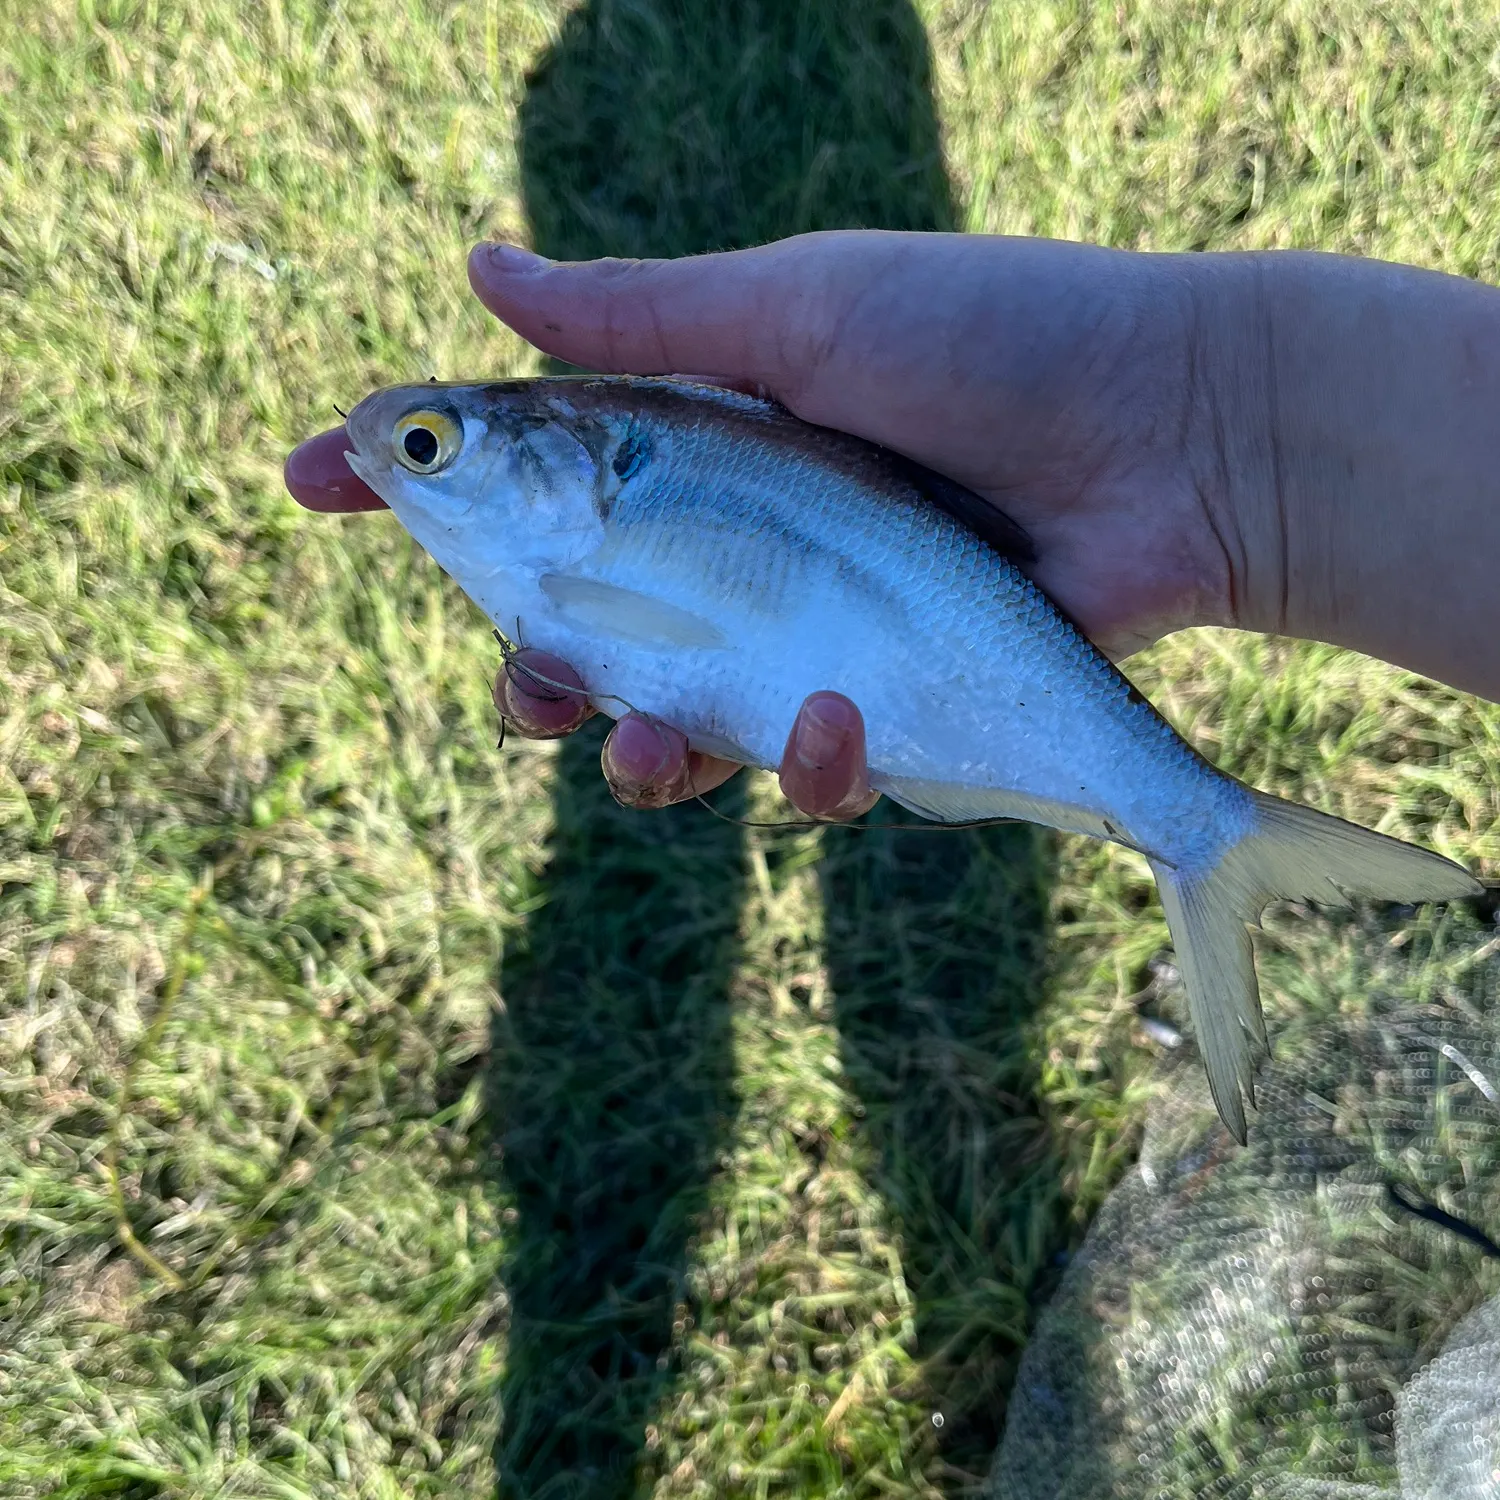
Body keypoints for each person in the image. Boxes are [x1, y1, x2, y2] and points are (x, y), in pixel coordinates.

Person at [284, 231, 1500, 818]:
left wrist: (1208, 425)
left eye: (430, 448)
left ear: (571, 465)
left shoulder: (574, 535)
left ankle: (1195, 826)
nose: (403, 465)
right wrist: (1211, 429)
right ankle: (1192, 825)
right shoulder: (558, 548)